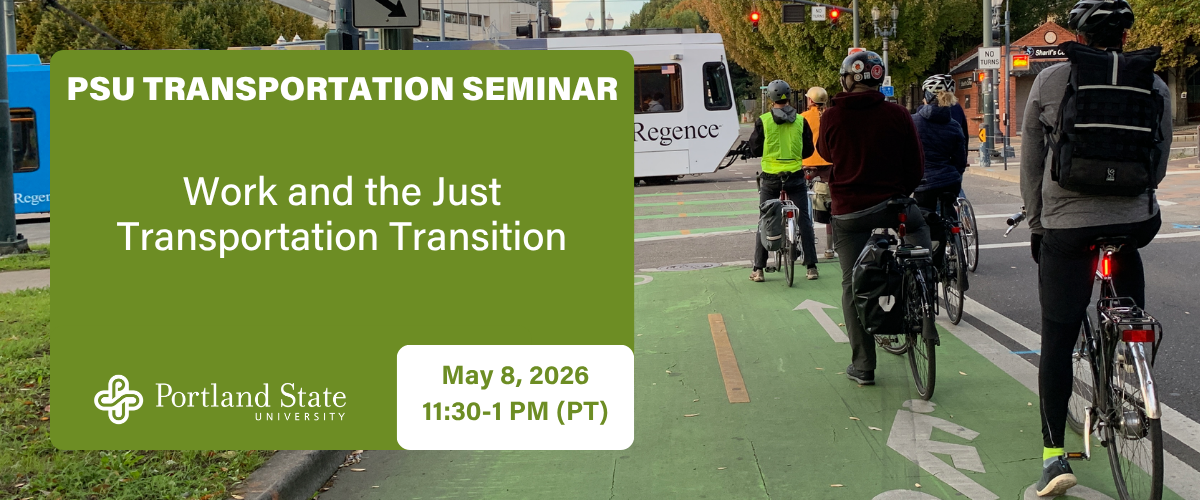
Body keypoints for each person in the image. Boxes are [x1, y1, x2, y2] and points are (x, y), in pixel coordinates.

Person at [1021, 0, 1170, 495]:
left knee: (1058, 338)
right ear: (1126, 39)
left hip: (1067, 227)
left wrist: (1039, 225)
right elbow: (1160, 159)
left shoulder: (1048, 82)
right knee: (1128, 296)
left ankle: (1052, 457)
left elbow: (1032, 164)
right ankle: (1132, 354)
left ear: (1078, 39)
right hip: (1134, 222)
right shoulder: (1156, 83)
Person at [816, 51, 931, 386]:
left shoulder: (832, 117)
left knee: (852, 284)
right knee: (920, 229)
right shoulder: (898, 114)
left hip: (850, 212)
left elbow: (825, 154)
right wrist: (901, 193)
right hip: (893, 205)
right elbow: (916, 167)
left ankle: (864, 365)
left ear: (847, 80)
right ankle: (921, 283)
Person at [748, 79, 820, 282]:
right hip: (795, 176)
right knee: (804, 218)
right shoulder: (800, 120)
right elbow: (808, 150)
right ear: (789, 97)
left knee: (765, 219)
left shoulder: (764, 120)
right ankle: (811, 267)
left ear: (770, 98)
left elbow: (755, 148)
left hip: (770, 178)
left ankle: (759, 268)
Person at [912, 76, 967, 270]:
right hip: (950, 181)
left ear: (926, 96)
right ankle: (954, 237)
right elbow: (960, 160)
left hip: (924, 182)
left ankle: (930, 263)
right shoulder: (953, 125)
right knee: (948, 210)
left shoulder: (914, 122)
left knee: (921, 221)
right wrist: (956, 174)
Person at [801, 86, 836, 260]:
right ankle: (830, 248)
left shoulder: (802, 117)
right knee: (832, 204)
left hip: (807, 165)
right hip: (829, 165)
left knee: (800, 198)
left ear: (810, 101)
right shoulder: (832, 116)